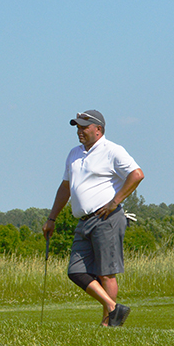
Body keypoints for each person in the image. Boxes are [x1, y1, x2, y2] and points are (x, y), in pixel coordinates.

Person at [43, 110, 144, 327]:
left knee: (106, 273)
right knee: (76, 271)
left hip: (106, 218)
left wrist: (115, 202)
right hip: (83, 220)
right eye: (77, 127)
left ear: (98, 129)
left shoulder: (113, 150)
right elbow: (65, 187)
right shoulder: (74, 153)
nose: (79, 131)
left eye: (83, 127)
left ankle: (108, 323)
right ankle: (113, 308)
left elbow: (136, 175)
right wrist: (52, 219)